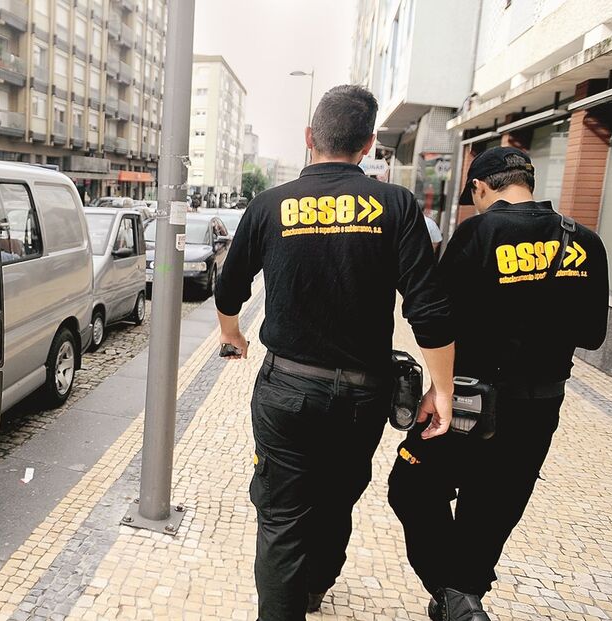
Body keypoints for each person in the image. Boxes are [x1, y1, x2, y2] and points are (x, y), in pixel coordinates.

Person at [214, 84, 456, 621]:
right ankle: (314, 587)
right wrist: (443, 389)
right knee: (336, 500)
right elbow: (429, 309)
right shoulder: (396, 205)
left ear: (309, 139)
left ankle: (288, 603)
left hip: (287, 390)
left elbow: (229, 289)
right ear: (368, 144)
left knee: (281, 518)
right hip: (363, 395)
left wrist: (232, 334)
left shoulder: (269, 204)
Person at [388, 147, 609, 621]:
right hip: (540, 407)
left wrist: (438, 386)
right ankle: (463, 593)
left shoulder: (477, 234)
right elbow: (593, 335)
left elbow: (438, 322)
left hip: (469, 402)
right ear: (528, 182)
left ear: (480, 188)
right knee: (491, 509)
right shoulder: (585, 241)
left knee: (410, 485)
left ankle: (453, 595)